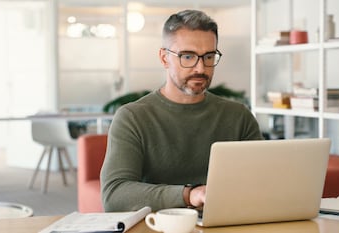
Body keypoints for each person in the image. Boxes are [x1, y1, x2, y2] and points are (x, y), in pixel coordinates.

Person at [100, 9, 263, 212]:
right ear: (164, 58)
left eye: (209, 56)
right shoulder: (132, 117)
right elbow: (114, 195)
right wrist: (190, 195)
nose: (200, 68)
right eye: (187, 56)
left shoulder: (238, 116)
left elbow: (261, 180)